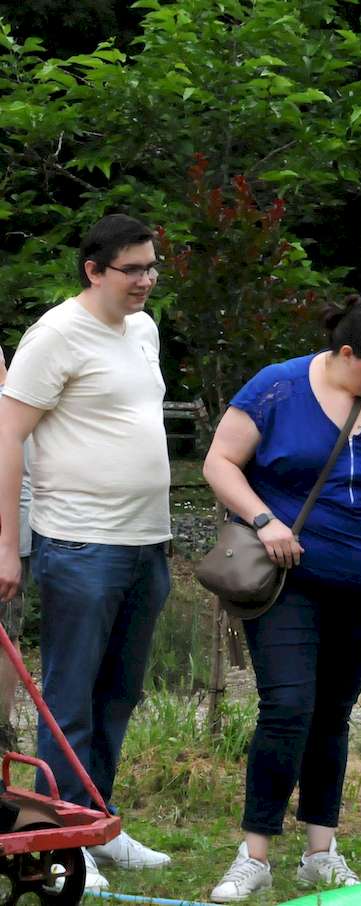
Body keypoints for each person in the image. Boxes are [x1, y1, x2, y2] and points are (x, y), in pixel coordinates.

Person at [203, 295, 361, 902]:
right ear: (346, 354)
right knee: (287, 706)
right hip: (291, 582)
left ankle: (320, 851)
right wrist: (265, 520)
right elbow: (220, 460)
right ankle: (254, 854)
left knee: (333, 714)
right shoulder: (278, 389)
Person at [0, 215, 172, 890]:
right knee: (69, 697)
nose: (146, 280)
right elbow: (8, 437)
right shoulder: (55, 335)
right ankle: (57, 839)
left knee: (118, 694)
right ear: (93, 270)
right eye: (133, 269)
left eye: (153, 266)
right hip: (78, 541)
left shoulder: (144, 330)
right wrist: (7, 546)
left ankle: (102, 822)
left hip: (146, 544)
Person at [0, 344, 32, 753]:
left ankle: (1, 732)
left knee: (6, 636)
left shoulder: (11, 411)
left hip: (6, 544)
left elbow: (22, 486)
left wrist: (11, 547)